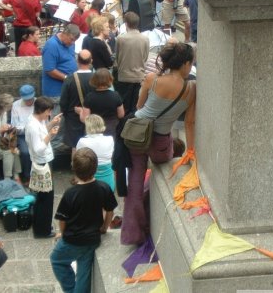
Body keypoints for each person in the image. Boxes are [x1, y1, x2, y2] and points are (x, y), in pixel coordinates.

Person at [120, 42, 196, 245]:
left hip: (137, 136)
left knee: (134, 183)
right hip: (161, 142)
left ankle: (132, 234)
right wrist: (190, 150)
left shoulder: (152, 79)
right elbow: (189, 122)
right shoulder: (191, 88)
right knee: (163, 170)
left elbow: (139, 106)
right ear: (186, 63)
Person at [50, 147, 117, 293]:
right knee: (83, 272)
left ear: (74, 168)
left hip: (72, 240)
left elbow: (62, 220)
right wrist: (104, 228)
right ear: (96, 167)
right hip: (93, 239)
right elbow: (110, 211)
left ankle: (70, 290)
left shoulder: (70, 194)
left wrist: (63, 233)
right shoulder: (104, 187)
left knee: (57, 260)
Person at [25, 96, 62, 238]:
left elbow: (41, 132)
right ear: (43, 110)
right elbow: (38, 148)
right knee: (46, 198)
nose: (49, 114)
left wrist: (51, 124)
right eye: (49, 112)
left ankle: (42, 226)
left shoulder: (36, 121)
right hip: (42, 163)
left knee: (42, 196)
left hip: (44, 162)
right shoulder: (33, 126)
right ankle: (43, 230)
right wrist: (51, 136)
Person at [60, 49, 94, 161]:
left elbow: (63, 102)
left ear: (77, 61)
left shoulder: (69, 79)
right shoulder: (96, 78)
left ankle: (76, 172)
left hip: (73, 116)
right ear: (91, 61)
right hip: (93, 116)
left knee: (75, 145)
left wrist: (66, 113)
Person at [115, 11, 149, 114]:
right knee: (135, 106)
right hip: (139, 76)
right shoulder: (145, 39)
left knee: (123, 105)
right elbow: (145, 56)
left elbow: (117, 57)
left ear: (126, 24)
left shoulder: (120, 38)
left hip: (124, 76)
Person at [75, 68, 124, 137]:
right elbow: (121, 115)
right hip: (111, 129)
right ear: (110, 80)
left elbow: (85, 119)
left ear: (94, 80)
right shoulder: (116, 95)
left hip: (94, 129)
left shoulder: (89, 97)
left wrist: (80, 112)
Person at [76, 114, 115, 191]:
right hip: (107, 174)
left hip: (88, 174)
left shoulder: (82, 141)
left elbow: (78, 158)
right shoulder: (110, 139)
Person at [42, 24, 80, 99]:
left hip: (67, 89)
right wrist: (67, 78)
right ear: (65, 34)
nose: (73, 43)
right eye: (71, 39)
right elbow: (50, 70)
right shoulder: (51, 45)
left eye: (75, 41)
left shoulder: (70, 44)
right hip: (55, 92)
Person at [11, 84, 36, 185]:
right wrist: (25, 128)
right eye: (26, 100)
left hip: (36, 132)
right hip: (22, 134)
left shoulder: (38, 102)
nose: (29, 102)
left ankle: (39, 175)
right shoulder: (16, 105)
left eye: (30, 99)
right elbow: (14, 125)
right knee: (25, 152)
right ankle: (27, 176)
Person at [0, 94, 21, 182]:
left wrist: (8, 128)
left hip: (1, 140)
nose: (12, 106)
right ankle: (8, 178)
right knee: (9, 151)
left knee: (14, 149)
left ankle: (16, 176)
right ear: (4, 106)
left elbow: (3, 131)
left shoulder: (4, 113)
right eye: (11, 104)